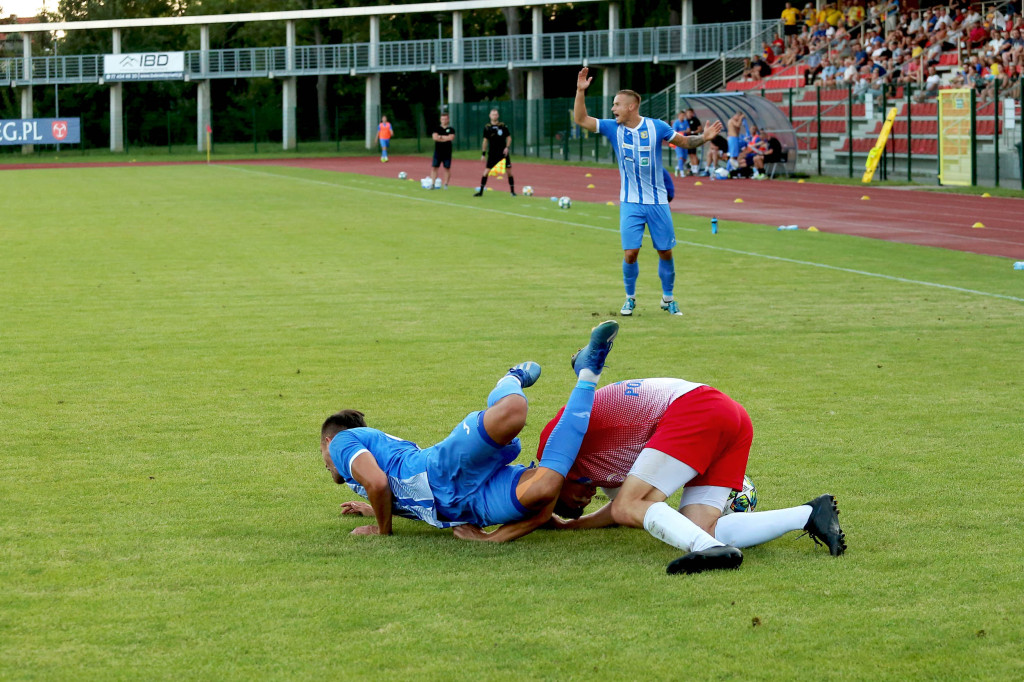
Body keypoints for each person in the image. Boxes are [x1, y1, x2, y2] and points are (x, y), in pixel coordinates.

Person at [462, 377, 847, 575]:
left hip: (695, 408)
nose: (583, 504)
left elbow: (624, 506)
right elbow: (625, 515)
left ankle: (708, 552)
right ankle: (808, 514)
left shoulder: (554, 449)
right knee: (697, 526)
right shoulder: (598, 470)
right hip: (728, 417)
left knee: (638, 504)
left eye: (571, 504)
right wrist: (571, 528)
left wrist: (496, 536)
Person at [322, 321, 620, 537]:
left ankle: (512, 377)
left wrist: (381, 530)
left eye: (322, 454)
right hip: (465, 507)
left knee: (513, 413)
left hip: (441, 469)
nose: (326, 464)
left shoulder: (341, 441)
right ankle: (587, 370)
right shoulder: (363, 468)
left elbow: (378, 483)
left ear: (327, 441)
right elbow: (399, 494)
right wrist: (376, 509)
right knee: (544, 489)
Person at [573, 67, 723, 318]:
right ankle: (630, 298)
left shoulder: (657, 127)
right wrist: (580, 91)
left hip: (657, 202)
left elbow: (684, 142)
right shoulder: (612, 128)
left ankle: (668, 298)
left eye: (617, 105)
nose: (613, 109)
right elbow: (581, 119)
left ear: (632, 106)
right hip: (630, 202)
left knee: (665, 251)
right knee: (631, 253)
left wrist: (704, 137)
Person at [473, 109, 516, 197]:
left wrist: (507, 147)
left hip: (503, 153)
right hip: (492, 153)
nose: (494, 116)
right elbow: (485, 141)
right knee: (486, 172)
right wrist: (483, 154)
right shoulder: (487, 127)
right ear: (490, 116)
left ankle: (512, 192)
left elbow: (509, 138)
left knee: (509, 172)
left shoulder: (503, 126)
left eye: (496, 114)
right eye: (493, 115)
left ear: (498, 116)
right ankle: (480, 192)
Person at [429, 112, 455, 190]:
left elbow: (451, 138)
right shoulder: (436, 128)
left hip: (447, 152)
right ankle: (433, 184)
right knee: (434, 167)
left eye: (445, 119)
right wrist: (444, 138)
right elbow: (435, 138)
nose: (444, 120)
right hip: (438, 151)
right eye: (442, 119)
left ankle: (446, 184)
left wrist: (440, 137)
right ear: (440, 120)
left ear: (448, 120)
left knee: (447, 168)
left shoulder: (451, 129)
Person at [671, 111, 688, 177]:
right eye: (681, 115)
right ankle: (681, 172)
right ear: (679, 116)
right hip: (678, 142)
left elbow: (688, 130)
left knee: (685, 158)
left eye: (684, 115)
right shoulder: (676, 123)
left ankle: (678, 167)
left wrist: (683, 131)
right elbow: (675, 132)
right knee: (680, 157)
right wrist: (683, 131)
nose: (683, 117)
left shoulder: (686, 122)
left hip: (685, 142)